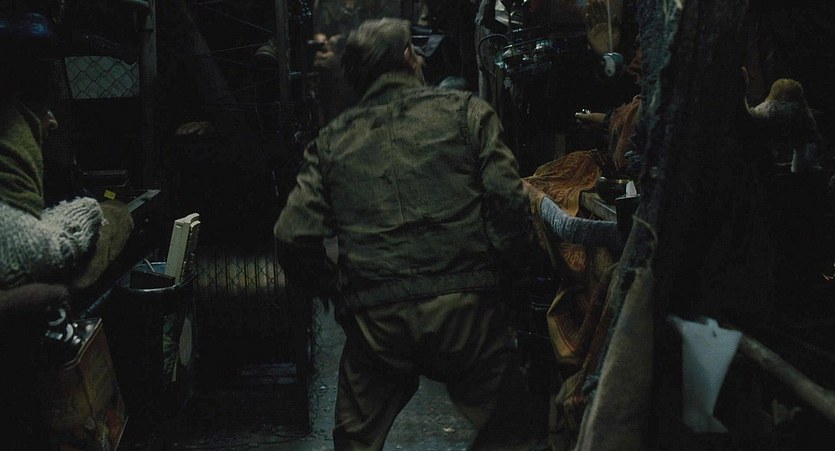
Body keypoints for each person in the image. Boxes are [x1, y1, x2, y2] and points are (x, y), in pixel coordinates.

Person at [274, 17, 538, 450]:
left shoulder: (331, 141)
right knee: (513, 429)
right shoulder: (466, 113)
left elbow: (292, 234)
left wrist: (335, 286)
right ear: (408, 59)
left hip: (377, 319)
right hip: (464, 310)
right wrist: (506, 279)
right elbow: (508, 201)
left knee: (354, 440)